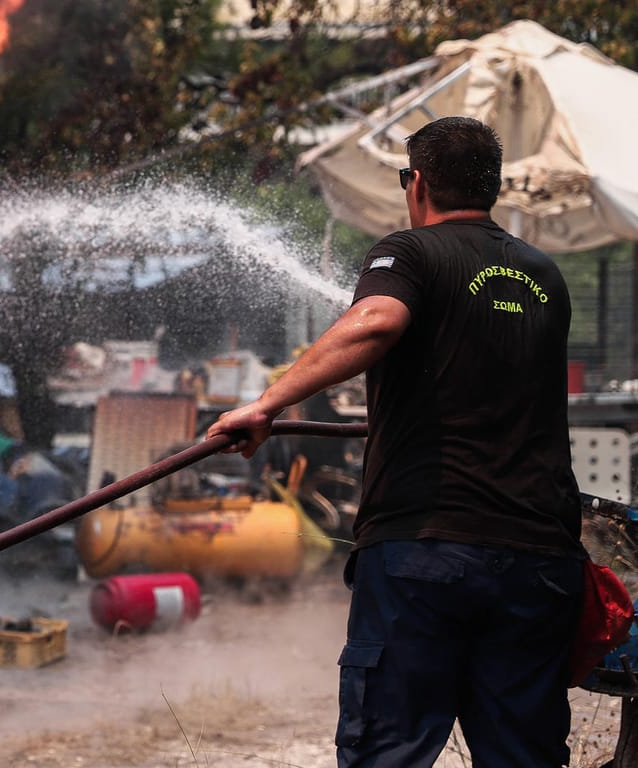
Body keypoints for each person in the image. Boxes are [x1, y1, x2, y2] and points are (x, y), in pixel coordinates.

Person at [206, 116, 585, 767]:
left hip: (426, 551)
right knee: (525, 755)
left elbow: (377, 320)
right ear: (492, 187)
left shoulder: (410, 252)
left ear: (417, 185)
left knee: (389, 750)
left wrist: (267, 403)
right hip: (537, 557)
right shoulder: (544, 275)